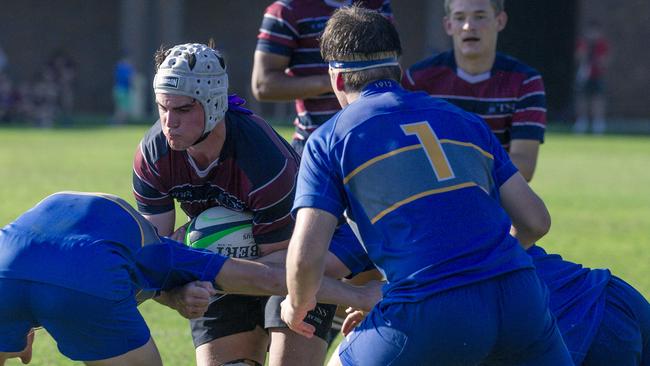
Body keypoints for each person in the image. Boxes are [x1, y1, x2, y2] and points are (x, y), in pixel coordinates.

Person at [280, 6, 573, 365]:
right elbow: (535, 221)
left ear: (337, 80)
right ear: (399, 72)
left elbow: (305, 259)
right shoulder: (466, 121)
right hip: (521, 297)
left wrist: (297, 303)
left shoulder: (329, 139)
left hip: (428, 307)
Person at [132, 41, 362, 366]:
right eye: (162, 108)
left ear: (213, 104)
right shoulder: (153, 157)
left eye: (183, 110)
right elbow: (151, 258)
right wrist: (176, 294)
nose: (169, 122)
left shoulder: (264, 161)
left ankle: (341, 304)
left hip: (300, 255)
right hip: (229, 261)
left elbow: (282, 269)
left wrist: (198, 260)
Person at [0, 191, 381, 366]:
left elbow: (36, 269)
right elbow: (269, 280)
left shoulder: (77, 216)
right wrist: (358, 295)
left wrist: (22, 326)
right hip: (88, 276)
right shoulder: (164, 251)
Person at [403, 0, 546, 182]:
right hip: (434, 202)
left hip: (495, 203)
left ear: (500, 21)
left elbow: (525, 166)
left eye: (480, 17)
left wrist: (450, 165)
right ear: (448, 25)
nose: (468, 26)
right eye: (459, 18)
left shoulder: (525, 81)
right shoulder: (417, 79)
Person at [251, 0, 392, 155]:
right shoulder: (286, 10)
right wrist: (340, 79)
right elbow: (263, 85)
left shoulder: (378, 4)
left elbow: (390, 67)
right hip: (319, 143)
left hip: (378, 139)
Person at [572, 20, 610, 135]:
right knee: (582, 99)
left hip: (597, 75)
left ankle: (598, 123)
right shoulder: (583, 43)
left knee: (597, 99)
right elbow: (578, 57)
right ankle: (581, 121)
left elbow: (605, 61)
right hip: (584, 75)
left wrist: (598, 61)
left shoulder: (602, 44)